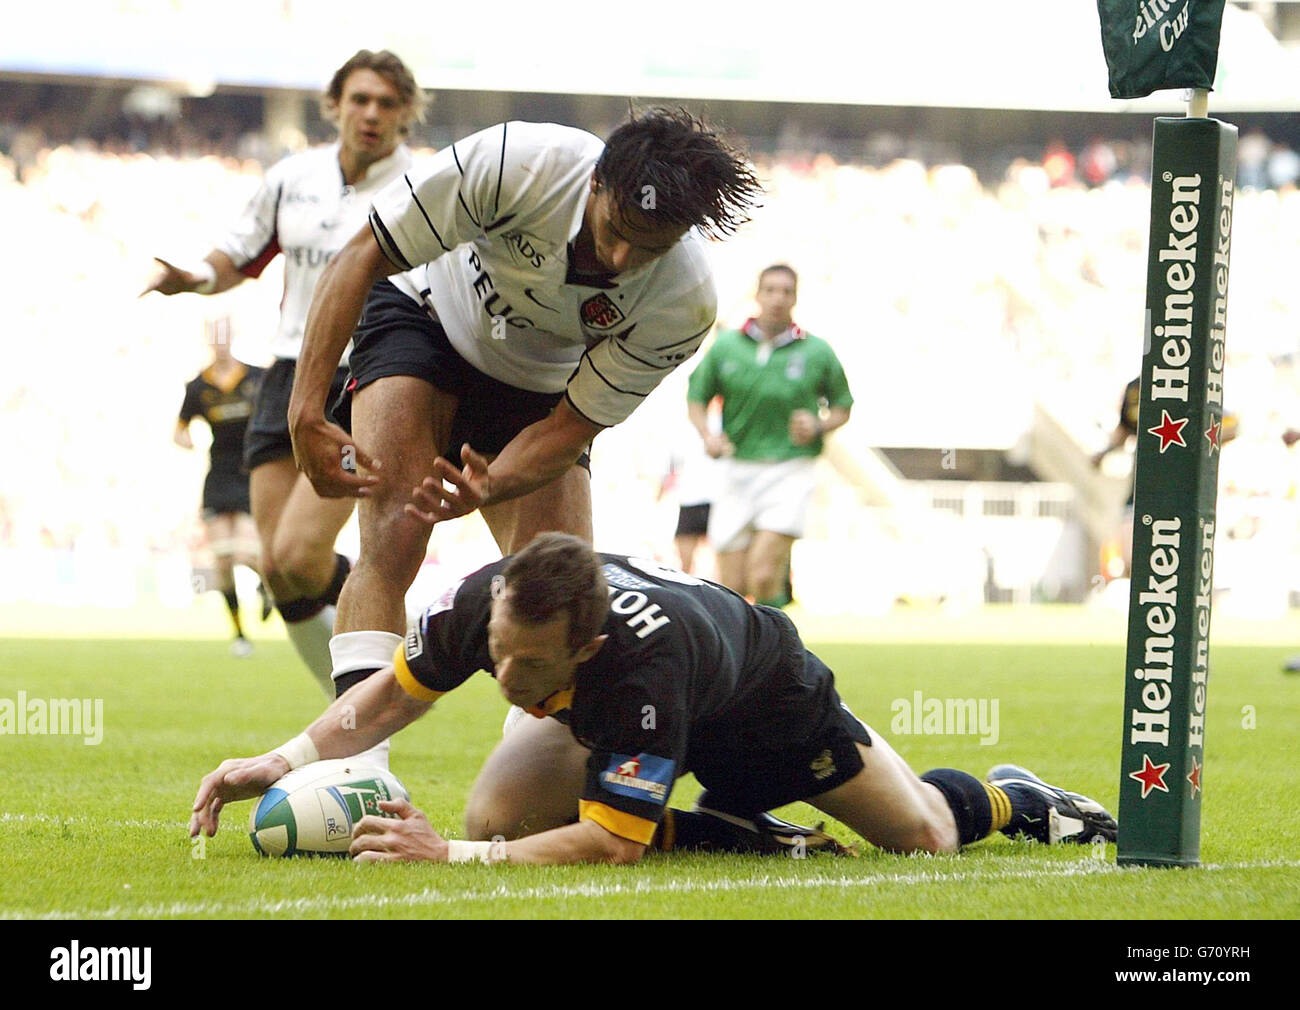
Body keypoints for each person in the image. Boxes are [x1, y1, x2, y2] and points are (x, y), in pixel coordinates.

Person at [190, 533, 1117, 866]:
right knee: (501, 813)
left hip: (762, 701)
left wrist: (450, 859)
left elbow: (610, 845)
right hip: (640, 706)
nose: (502, 684)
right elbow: (389, 699)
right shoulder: (487, 604)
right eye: (498, 658)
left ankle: (1022, 799)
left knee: (923, 839)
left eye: (528, 671)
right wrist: (284, 759)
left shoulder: (640, 671)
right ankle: (751, 838)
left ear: (586, 649)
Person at [284, 108, 762, 752]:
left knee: (560, 594)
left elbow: (572, 424)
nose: (621, 258)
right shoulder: (517, 162)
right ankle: (356, 772)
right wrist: (306, 410)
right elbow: (362, 254)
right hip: (425, 316)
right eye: (616, 229)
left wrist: (494, 481)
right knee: (395, 534)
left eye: (650, 248)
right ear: (595, 183)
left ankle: (522, 797)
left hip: (543, 388)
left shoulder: (685, 301)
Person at [143, 50, 424, 691]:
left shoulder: (422, 188)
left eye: (386, 102)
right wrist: (192, 278)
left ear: (406, 113)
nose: (371, 113)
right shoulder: (293, 176)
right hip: (290, 371)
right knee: (279, 568)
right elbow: (238, 257)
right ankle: (347, 707)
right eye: (360, 99)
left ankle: (375, 679)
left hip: (367, 374)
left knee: (299, 553)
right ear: (335, 106)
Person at [686, 264, 852, 607]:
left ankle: (779, 657)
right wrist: (708, 435)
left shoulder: (816, 351)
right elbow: (696, 399)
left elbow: (842, 406)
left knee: (763, 576)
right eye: (771, 290)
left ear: (795, 298)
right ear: (757, 295)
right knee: (731, 586)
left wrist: (819, 424)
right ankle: (745, 658)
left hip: (790, 468)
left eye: (787, 291)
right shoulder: (726, 346)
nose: (778, 298)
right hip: (736, 468)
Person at [175, 317, 266, 656]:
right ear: (209, 342)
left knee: (246, 552)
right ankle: (240, 633)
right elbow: (179, 429)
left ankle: (267, 588)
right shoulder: (199, 386)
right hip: (218, 475)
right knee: (222, 562)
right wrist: (188, 443)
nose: (221, 342)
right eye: (216, 337)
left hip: (251, 472)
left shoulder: (256, 378)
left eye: (226, 336)